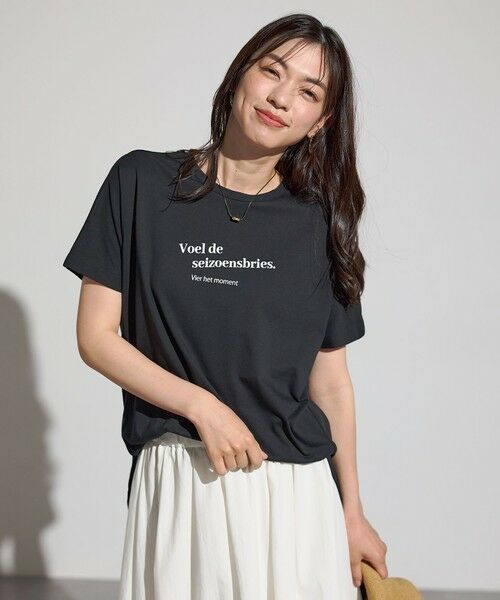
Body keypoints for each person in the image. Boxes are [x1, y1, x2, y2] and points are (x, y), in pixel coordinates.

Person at [63, 12, 388, 600]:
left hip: (296, 496)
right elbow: (96, 337)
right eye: (272, 71)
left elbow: (331, 385)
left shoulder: (320, 222)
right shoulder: (140, 182)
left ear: (320, 122)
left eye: (308, 92)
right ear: (240, 74)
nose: (281, 97)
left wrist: (352, 512)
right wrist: (201, 406)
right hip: (183, 479)